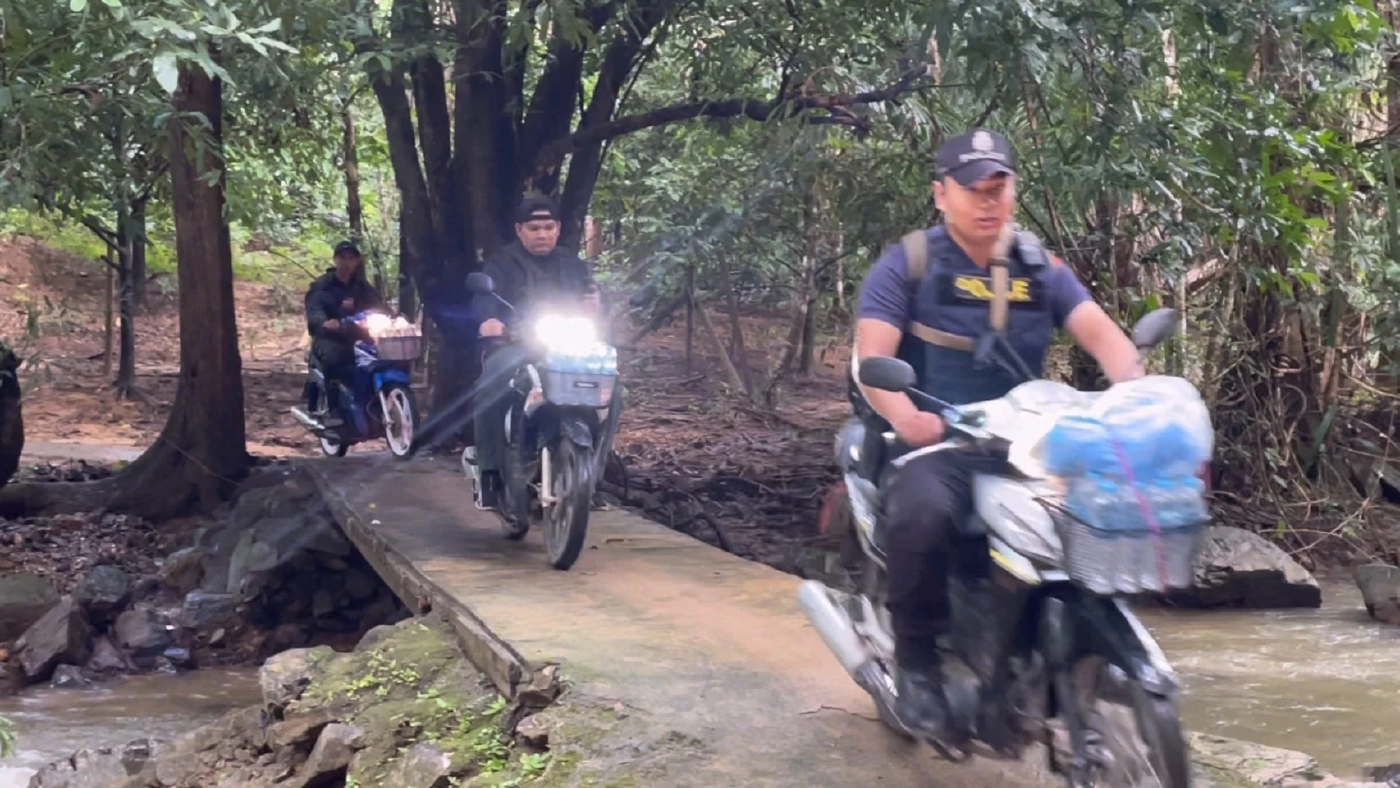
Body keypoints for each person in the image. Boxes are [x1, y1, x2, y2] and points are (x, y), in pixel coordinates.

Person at [853, 128, 1145, 741]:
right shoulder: (907, 263)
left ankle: (1046, 658)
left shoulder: (1042, 268)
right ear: (941, 194)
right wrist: (906, 415)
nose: (989, 200)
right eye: (973, 189)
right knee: (923, 513)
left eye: (999, 186)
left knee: (1094, 518)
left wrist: (1138, 394)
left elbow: (1108, 340)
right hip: (940, 443)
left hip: (1026, 445)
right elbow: (871, 357)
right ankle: (918, 665)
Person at [470, 196, 601, 508]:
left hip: (568, 346)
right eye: (534, 228)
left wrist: (596, 307)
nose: (541, 234)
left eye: (548, 227)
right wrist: (489, 320)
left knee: (612, 389)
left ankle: (592, 472)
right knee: (490, 385)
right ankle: (490, 473)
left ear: (558, 229)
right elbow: (483, 299)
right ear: (519, 230)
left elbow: (591, 297)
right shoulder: (501, 263)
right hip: (517, 344)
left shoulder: (572, 263)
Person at [304, 240, 384, 428]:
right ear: (335, 260)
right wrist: (325, 322)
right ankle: (334, 409)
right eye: (342, 258)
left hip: (358, 335)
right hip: (328, 338)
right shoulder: (323, 286)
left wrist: (394, 318)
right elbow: (314, 309)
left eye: (351, 258)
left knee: (383, 355)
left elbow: (379, 306)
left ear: (357, 261)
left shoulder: (362, 286)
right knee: (336, 357)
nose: (347, 263)